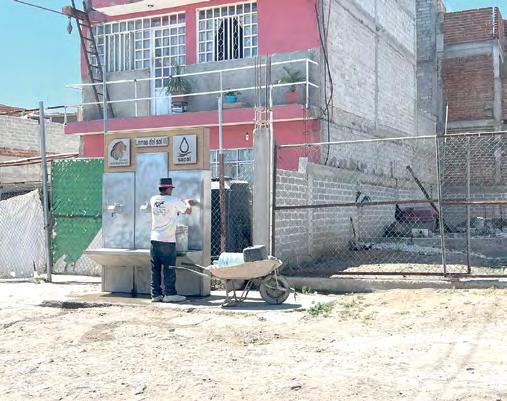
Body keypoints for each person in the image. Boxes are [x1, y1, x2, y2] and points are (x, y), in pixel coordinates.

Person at [149, 177, 196, 303]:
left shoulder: (153, 199)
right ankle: (170, 294)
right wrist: (187, 202)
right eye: (171, 188)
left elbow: (167, 211)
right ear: (169, 189)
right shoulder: (174, 200)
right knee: (169, 268)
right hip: (167, 241)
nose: (172, 191)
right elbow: (188, 211)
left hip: (154, 239)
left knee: (155, 269)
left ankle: (156, 294)